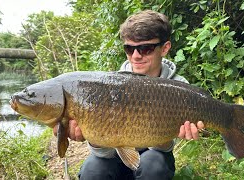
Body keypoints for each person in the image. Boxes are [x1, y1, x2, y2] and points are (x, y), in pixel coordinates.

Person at [53, 9, 205, 180]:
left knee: (153, 166)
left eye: (145, 48)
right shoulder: (110, 85)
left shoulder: (179, 88)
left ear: (165, 48)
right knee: (93, 170)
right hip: (114, 155)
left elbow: (165, 147)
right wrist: (94, 138)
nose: (136, 56)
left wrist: (178, 134)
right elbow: (104, 153)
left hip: (155, 154)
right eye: (129, 48)